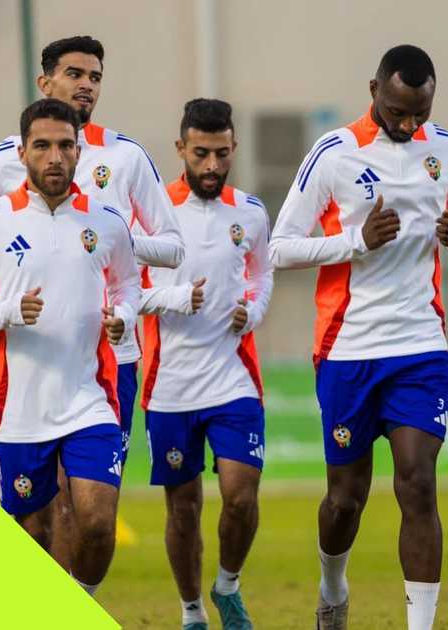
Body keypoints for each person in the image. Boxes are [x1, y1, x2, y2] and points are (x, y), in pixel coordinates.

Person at [269, 45, 448, 630]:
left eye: (419, 111)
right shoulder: (334, 154)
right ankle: (333, 585)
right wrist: (355, 242)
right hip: (348, 350)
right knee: (346, 498)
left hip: (419, 346)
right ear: (373, 91)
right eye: (396, 112)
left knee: (417, 481)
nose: (408, 124)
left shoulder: (447, 151)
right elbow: (280, 247)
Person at [0, 35, 183, 570]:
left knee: (90, 506)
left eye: (95, 76)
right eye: (74, 73)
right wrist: (10, 308)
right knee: (44, 512)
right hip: (28, 371)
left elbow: (172, 247)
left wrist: (104, 246)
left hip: (112, 361)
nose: (86, 84)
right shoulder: (0, 166)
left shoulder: (126, 157)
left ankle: (74, 600)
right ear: (46, 82)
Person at [0, 98, 139, 597]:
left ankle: (80, 602)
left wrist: (123, 317)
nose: (55, 157)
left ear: (79, 150)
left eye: (66, 145)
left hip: (91, 401)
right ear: (22, 153)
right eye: (42, 146)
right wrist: (8, 312)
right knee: (34, 536)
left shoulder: (107, 221)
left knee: (95, 522)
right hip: (20, 409)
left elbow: (128, 285)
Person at [139, 99, 273, 630]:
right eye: (201, 154)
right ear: (180, 150)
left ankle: (228, 586)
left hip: (233, 377)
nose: (212, 166)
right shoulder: (150, 215)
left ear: (234, 148)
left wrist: (255, 309)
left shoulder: (251, 213)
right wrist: (174, 298)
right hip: (170, 384)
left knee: (241, 492)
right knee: (184, 506)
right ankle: (192, 610)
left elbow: (263, 273)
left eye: (222, 153)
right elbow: (122, 291)